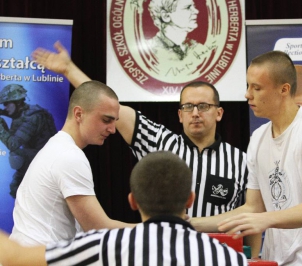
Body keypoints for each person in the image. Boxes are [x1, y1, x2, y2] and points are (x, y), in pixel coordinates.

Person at [31, 41, 253, 252]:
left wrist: (253, 254)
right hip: (163, 255)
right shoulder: (159, 141)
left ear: (219, 112)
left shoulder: (242, 160)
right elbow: (104, 105)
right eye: (188, 106)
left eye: (203, 106)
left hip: (218, 256)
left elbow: (251, 213)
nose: (195, 113)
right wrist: (69, 70)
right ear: (179, 114)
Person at [191, 50, 302, 265]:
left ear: (284, 89)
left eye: (257, 88)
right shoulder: (259, 137)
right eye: (248, 86)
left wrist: (263, 219)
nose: (247, 95)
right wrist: (191, 223)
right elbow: (253, 208)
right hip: (275, 260)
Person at [0, 151, 248, 266]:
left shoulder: (104, 245)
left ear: (132, 201)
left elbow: (13, 258)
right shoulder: (228, 258)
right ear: (190, 200)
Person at [9, 80, 135, 246]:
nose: (112, 129)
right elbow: (97, 228)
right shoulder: (69, 156)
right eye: (106, 120)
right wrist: (159, 229)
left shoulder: (58, 147)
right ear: (78, 114)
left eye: (114, 121)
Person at [0, 84, 57, 198]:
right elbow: (9, 112)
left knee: (16, 155)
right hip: (36, 158)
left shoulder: (33, 117)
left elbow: (13, 144)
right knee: (15, 189)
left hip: (46, 163)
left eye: (7, 104)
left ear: (18, 102)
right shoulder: (22, 112)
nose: (5, 107)